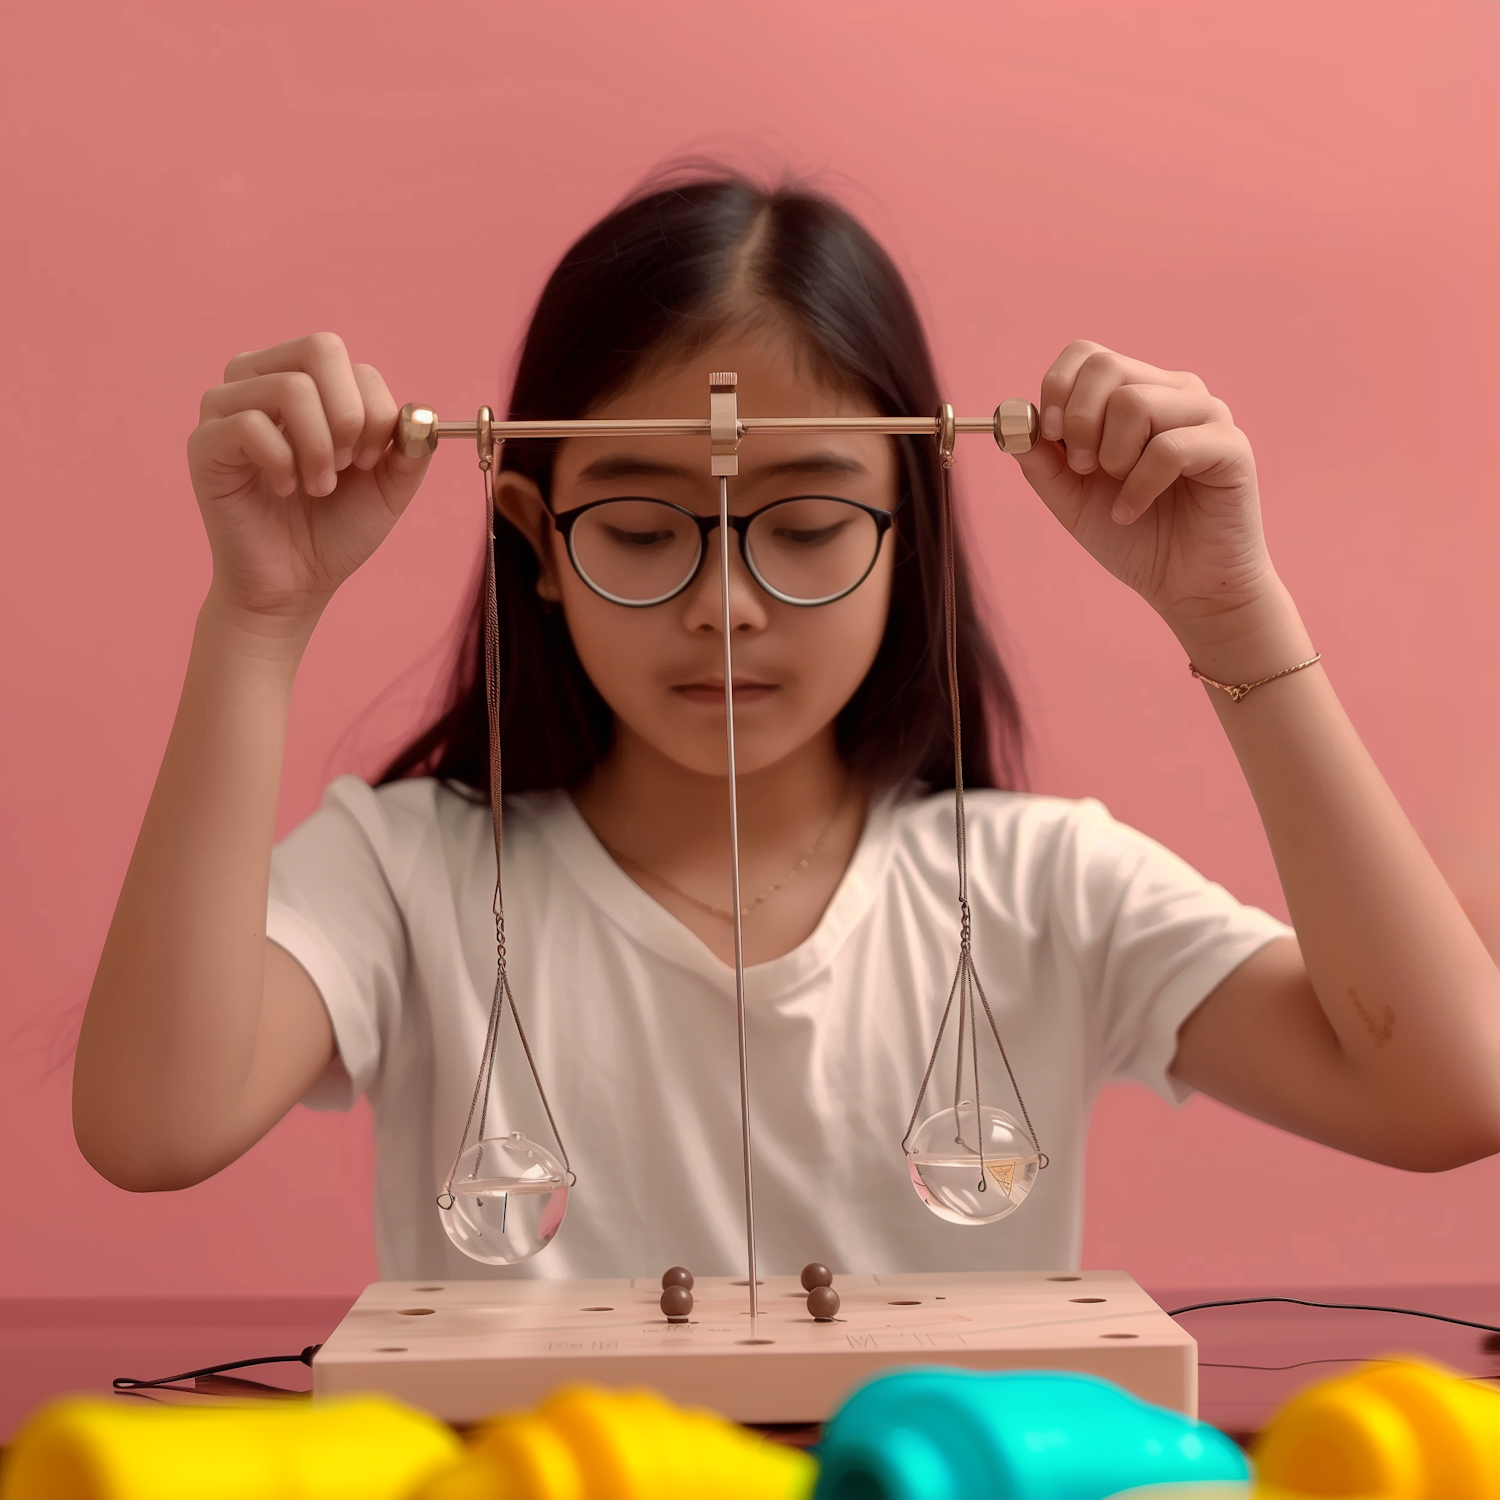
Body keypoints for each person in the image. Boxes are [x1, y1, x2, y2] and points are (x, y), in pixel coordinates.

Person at [74, 174, 1499, 1282]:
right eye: (640, 529)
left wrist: (1233, 618)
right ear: (540, 539)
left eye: (809, 526)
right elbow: (151, 1125)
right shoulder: (407, 878)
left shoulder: (1043, 888)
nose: (727, 604)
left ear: (907, 529)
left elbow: (1447, 1090)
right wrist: (258, 622)